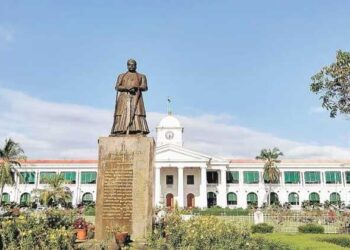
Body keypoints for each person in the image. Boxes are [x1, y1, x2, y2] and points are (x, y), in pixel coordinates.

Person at [110, 59, 150, 136]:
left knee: (137, 113)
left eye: (133, 65)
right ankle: (119, 130)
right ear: (127, 65)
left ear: (136, 66)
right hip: (124, 97)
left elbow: (145, 87)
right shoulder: (121, 76)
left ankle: (138, 129)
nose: (131, 66)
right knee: (121, 113)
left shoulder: (142, 76)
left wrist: (136, 87)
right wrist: (127, 88)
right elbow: (117, 87)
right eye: (129, 65)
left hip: (136, 97)